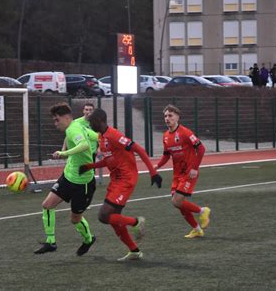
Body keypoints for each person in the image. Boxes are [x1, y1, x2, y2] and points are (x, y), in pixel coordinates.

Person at [79, 108, 162, 261]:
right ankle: (134, 250)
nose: (90, 125)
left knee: (104, 216)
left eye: (92, 122)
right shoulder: (101, 137)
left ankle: (136, 222)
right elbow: (109, 160)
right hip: (116, 180)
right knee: (114, 219)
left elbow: (139, 149)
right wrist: (89, 166)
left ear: (101, 121)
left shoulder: (114, 135)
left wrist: (153, 172)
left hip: (126, 179)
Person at [35, 102, 97, 256]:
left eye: (57, 120)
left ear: (67, 117)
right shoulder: (74, 126)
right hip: (68, 177)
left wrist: (64, 153)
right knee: (47, 205)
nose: (55, 123)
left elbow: (83, 145)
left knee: (75, 219)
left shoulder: (73, 128)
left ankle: (88, 239)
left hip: (83, 184)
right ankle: (51, 242)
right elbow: (92, 136)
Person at [154, 105, 210, 239]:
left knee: (176, 201)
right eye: (165, 116)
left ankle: (203, 211)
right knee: (179, 205)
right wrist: (157, 166)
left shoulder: (185, 132)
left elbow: (201, 149)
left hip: (189, 173)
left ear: (177, 117)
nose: (167, 118)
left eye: (170, 116)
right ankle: (197, 229)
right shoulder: (166, 136)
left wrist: (195, 168)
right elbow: (166, 155)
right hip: (177, 174)